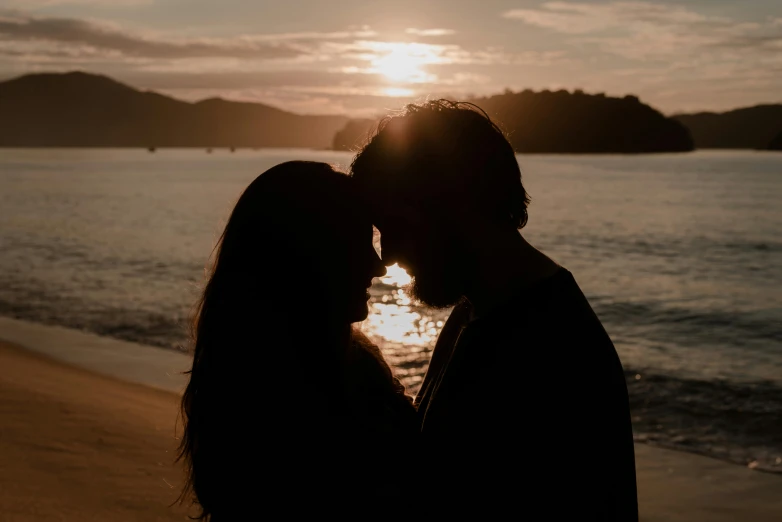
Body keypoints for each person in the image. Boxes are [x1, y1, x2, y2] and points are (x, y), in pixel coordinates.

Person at [351, 101, 638, 519]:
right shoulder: (477, 310)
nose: (389, 255)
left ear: (452, 206)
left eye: (397, 225)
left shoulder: (550, 350)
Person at [177, 161, 417, 519]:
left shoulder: (234, 378)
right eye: (357, 244)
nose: (378, 265)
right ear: (307, 254)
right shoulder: (283, 403)